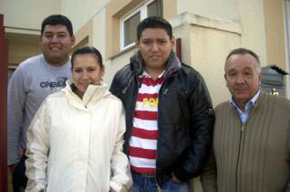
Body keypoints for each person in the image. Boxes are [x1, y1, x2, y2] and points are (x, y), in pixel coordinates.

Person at [110, 16, 214, 192]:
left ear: (172, 42)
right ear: (137, 43)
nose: (154, 48)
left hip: (172, 182)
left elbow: (204, 127)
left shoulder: (190, 79)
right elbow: (110, 125)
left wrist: (184, 172)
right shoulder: (123, 78)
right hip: (129, 180)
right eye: (147, 42)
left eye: (161, 41)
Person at [25, 46, 132, 192]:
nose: (84, 76)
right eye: (78, 70)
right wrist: (38, 186)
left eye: (91, 69)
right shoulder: (53, 103)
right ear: (71, 72)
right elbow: (36, 149)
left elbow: (119, 151)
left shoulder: (114, 105)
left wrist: (117, 185)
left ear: (102, 70)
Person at [201, 48, 290, 192]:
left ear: (259, 78)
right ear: (226, 79)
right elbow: (209, 167)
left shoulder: (286, 112)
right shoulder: (218, 114)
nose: (239, 81)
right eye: (232, 74)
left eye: (247, 73)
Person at [7, 14, 75, 192]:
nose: (54, 40)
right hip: (31, 161)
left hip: (71, 159)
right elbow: (12, 116)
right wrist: (12, 160)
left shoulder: (80, 69)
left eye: (61, 35)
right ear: (41, 39)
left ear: (72, 39)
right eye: (49, 35)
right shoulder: (25, 70)